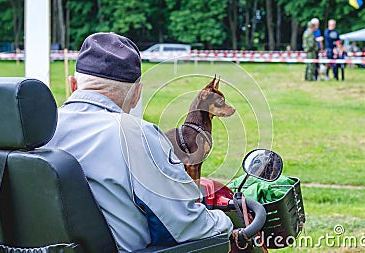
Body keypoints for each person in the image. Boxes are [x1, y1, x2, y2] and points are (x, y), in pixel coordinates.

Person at [44, 32, 233, 252]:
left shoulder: (38, 131)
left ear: (73, 84)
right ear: (136, 95)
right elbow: (186, 225)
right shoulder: (136, 135)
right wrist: (226, 220)